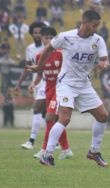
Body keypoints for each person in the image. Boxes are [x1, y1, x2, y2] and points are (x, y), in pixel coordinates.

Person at [26, 10, 110, 167]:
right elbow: (49, 49)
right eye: (94, 25)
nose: (96, 28)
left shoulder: (98, 40)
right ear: (84, 22)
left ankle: (94, 151)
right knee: (64, 118)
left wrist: (104, 63)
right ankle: (47, 155)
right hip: (66, 84)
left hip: (85, 85)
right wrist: (39, 66)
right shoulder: (66, 36)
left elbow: (105, 59)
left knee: (103, 116)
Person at [30, 26, 73, 160]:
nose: (48, 40)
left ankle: (44, 150)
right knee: (55, 120)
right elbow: (39, 74)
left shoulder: (61, 54)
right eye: (45, 37)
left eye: (50, 38)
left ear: (54, 39)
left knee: (49, 118)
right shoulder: (39, 56)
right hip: (48, 90)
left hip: (60, 90)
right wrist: (33, 84)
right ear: (41, 39)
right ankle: (66, 150)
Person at [14, 21, 46, 150]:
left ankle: (31, 141)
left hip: (48, 80)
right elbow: (27, 68)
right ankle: (56, 143)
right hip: (36, 82)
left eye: (39, 33)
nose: (37, 35)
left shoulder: (48, 47)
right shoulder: (30, 48)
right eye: (35, 33)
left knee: (38, 108)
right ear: (31, 34)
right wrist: (18, 84)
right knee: (45, 113)